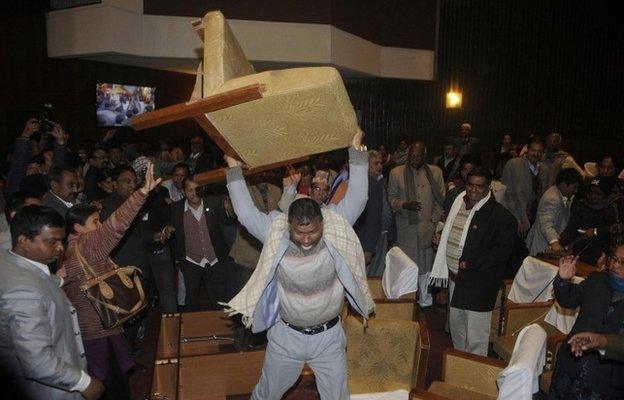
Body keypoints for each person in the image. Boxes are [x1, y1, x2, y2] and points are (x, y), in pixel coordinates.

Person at [221, 129, 373, 400]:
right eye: (299, 233)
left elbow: (359, 199)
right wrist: (234, 170)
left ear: (322, 223)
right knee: (265, 394)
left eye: (312, 232)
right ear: (288, 224)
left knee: (338, 397)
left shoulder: (335, 223)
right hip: (286, 336)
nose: (305, 239)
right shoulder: (275, 229)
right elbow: (245, 213)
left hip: (328, 338)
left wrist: (356, 153)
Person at [62, 163, 161, 399]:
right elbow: (115, 227)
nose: (100, 226)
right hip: (99, 331)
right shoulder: (88, 246)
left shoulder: (70, 248)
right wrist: (142, 193)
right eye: (95, 222)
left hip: (90, 329)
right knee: (113, 385)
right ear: (78, 227)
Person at [0, 205, 104, 400]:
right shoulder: (23, 293)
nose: (60, 248)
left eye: (61, 240)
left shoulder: (9, 255)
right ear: (23, 241)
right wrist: (83, 382)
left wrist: (59, 280)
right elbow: (37, 361)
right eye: (52, 242)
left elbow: (38, 276)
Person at [430, 167, 516, 355]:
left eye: (479, 186)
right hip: (455, 280)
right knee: (456, 328)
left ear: (489, 187)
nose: (473, 190)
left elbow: (502, 251)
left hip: (479, 284)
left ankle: (474, 375)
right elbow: (453, 230)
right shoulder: (458, 202)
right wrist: (441, 236)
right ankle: (459, 366)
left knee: (476, 335)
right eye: (470, 185)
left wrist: (471, 263)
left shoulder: (500, 216)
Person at [548, 245, 624, 399]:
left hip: (605, 382)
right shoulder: (597, 279)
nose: (616, 264)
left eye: (623, 262)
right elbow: (569, 299)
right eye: (614, 258)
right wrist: (563, 280)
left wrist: (602, 341)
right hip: (570, 365)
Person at [388, 141, 445, 307]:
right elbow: (391, 198)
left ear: (424, 156)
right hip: (406, 228)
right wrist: (405, 204)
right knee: (407, 266)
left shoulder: (435, 172)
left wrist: (433, 220)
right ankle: (408, 300)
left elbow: (441, 200)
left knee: (426, 266)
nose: (414, 158)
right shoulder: (396, 173)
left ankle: (425, 300)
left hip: (427, 227)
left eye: (418, 156)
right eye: (411, 155)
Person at [170, 175, 232, 311]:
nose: (193, 193)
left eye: (197, 189)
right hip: (191, 261)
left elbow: (228, 221)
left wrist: (229, 210)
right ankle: (195, 330)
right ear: (183, 192)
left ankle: (222, 329)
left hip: (215, 259)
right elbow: (169, 227)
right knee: (191, 300)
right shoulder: (176, 209)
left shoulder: (213, 203)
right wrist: (166, 229)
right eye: (189, 190)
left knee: (220, 299)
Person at [560, 177, 619, 264]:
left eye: (598, 194)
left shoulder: (610, 211)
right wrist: (559, 244)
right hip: (576, 250)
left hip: (598, 254)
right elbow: (571, 228)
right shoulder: (581, 205)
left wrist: (596, 231)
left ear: (606, 196)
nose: (593, 196)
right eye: (591, 192)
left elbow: (614, 230)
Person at [502, 135, 551, 238]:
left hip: (536, 218)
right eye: (533, 150)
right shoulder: (513, 165)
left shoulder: (545, 169)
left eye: (539, 151)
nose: (536, 154)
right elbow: (507, 194)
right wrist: (517, 218)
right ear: (527, 149)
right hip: (517, 216)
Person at [526, 168, 582, 255]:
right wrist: (554, 243)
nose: (576, 191)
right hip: (541, 246)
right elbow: (546, 223)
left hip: (547, 244)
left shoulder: (558, 194)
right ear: (564, 185)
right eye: (574, 187)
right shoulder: (553, 198)